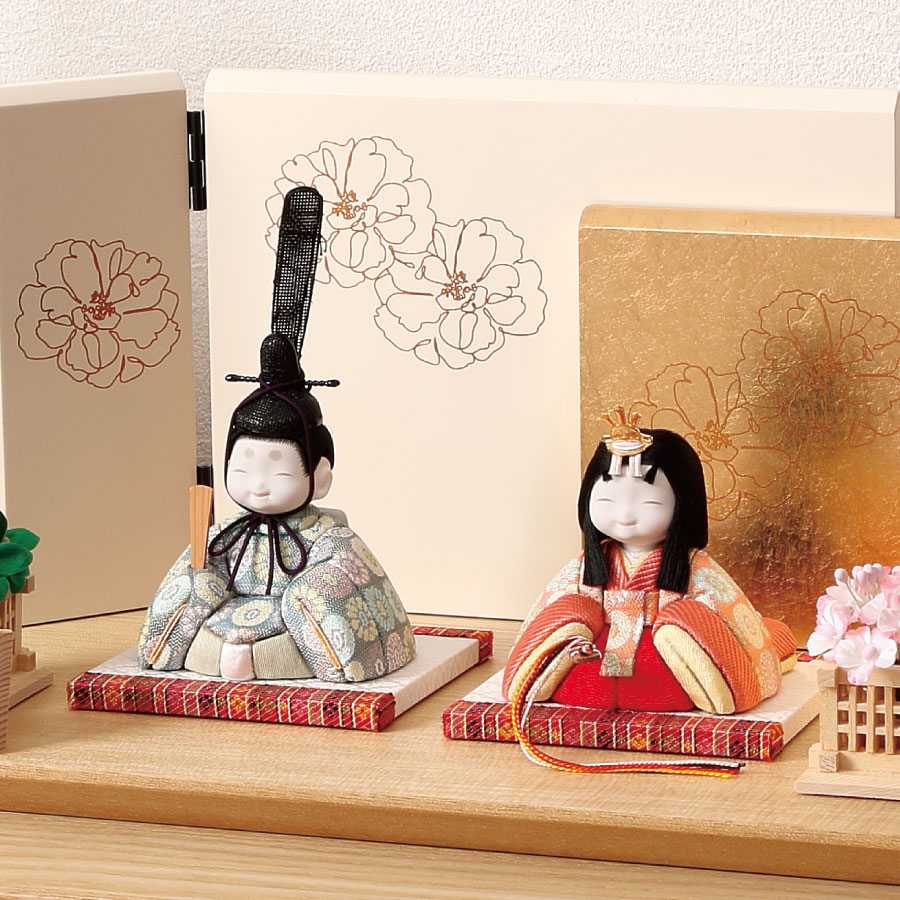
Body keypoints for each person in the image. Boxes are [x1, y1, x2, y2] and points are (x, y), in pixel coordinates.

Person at [502, 408, 796, 714]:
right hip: (595, 658)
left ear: (683, 504)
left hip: (662, 657)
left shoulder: (694, 566)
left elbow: (722, 610)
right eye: (607, 501)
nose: (625, 515)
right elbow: (556, 606)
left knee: (684, 622)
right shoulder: (588, 563)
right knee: (573, 612)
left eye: (648, 502)